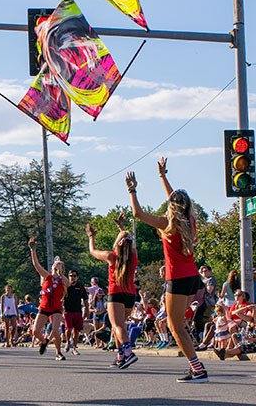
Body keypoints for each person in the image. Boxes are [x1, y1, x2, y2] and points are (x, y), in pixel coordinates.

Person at [128, 157, 207, 383]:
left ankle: (198, 369)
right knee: (178, 323)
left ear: (171, 206)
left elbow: (138, 214)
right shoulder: (189, 221)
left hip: (178, 279)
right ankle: (190, 316)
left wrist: (132, 190)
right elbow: (176, 200)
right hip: (192, 277)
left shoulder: (167, 224)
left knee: (175, 326)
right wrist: (163, 176)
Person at [87, 214, 139, 369]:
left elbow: (93, 251)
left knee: (117, 326)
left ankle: (128, 352)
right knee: (121, 325)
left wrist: (91, 236)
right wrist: (122, 228)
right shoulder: (133, 257)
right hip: (130, 294)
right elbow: (129, 243)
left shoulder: (111, 257)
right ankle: (120, 356)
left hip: (116, 293)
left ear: (117, 243)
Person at [28, 237, 69, 361]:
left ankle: (58, 352)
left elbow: (68, 284)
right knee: (35, 331)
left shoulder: (63, 280)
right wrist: (33, 250)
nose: (57, 267)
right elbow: (36, 265)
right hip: (44, 306)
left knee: (55, 330)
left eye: (60, 266)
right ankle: (44, 341)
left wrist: (60, 274)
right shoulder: (47, 277)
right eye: (56, 265)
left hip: (56, 308)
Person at [63, 270, 89, 355]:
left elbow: (85, 299)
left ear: (77, 277)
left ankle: (74, 347)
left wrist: (87, 310)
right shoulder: (66, 285)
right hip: (68, 311)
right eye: (70, 276)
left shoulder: (80, 286)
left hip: (78, 311)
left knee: (77, 330)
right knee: (69, 328)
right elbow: (61, 297)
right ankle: (67, 342)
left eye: (74, 276)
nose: (72, 277)